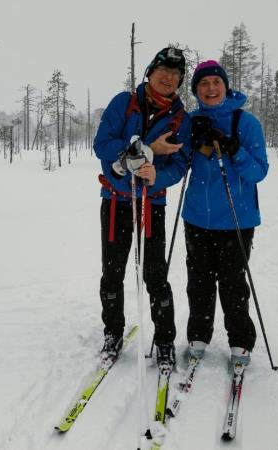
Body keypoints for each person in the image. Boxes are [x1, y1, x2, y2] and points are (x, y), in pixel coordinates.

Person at [93, 47, 190, 367]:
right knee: (113, 272)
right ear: (149, 72)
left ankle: (164, 339)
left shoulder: (180, 118)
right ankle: (113, 332)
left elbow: (179, 164)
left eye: (175, 75)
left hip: (151, 203)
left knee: (155, 275)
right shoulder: (124, 103)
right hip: (116, 202)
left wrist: (156, 174)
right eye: (163, 71)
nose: (168, 78)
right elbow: (102, 145)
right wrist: (146, 149)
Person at [181, 60, 269, 366]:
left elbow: (259, 172)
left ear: (225, 86)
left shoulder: (246, 123)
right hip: (196, 218)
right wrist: (190, 143)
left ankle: (240, 341)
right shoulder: (190, 121)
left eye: (216, 82)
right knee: (199, 282)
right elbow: (179, 162)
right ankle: (198, 335)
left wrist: (234, 149)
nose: (210, 88)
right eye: (203, 84)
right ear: (196, 91)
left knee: (233, 284)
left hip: (236, 219)